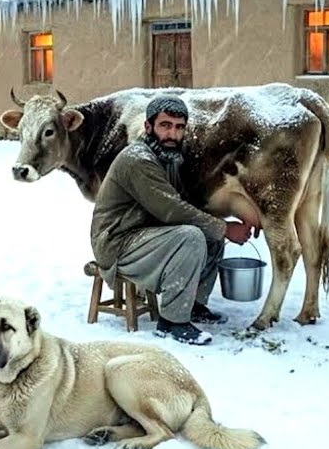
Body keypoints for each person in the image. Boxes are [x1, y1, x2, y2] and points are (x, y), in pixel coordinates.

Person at [90, 96, 256, 346]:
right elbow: (170, 210)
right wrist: (224, 228)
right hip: (117, 242)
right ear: (148, 127)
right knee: (192, 236)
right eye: (165, 125)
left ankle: (194, 306)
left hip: (143, 233)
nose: (172, 133)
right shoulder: (138, 160)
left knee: (211, 234)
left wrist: (231, 217)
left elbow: (182, 203)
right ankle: (172, 322)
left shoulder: (167, 158)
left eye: (179, 127)